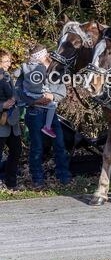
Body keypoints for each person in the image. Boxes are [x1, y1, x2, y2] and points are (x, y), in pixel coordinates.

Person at [15, 44, 70, 188]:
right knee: (37, 146)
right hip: (34, 112)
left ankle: (63, 176)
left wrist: (52, 96)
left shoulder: (56, 71)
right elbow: (18, 90)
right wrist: (33, 100)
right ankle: (37, 178)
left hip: (51, 113)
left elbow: (62, 92)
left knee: (59, 144)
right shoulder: (27, 69)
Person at [0, 50, 22, 190]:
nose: (9, 64)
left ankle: (11, 182)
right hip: (1, 121)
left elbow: (16, 94)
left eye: (9, 61)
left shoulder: (8, 76)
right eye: (6, 61)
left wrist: (14, 98)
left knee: (17, 150)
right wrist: (2, 105)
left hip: (13, 121)